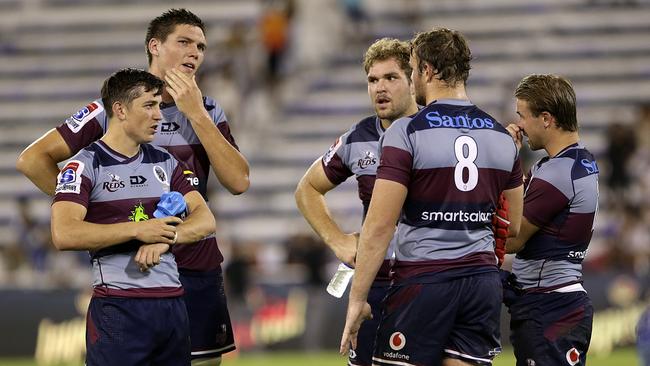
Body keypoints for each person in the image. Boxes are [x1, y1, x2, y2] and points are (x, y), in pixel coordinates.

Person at [16, 9, 249, 364]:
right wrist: (100, 217)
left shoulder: (209, 111)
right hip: (132, 270)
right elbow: (33, 160)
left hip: (194, 262)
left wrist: (196, 114)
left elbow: (238, 182)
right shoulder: (112, 109)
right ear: (154, 46)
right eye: (184, 42)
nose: (195, 54)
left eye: (201, 47)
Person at [339, 27, 524, 366]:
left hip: (424, 282)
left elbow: (379, 227)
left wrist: (357, 299)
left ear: (425, 70)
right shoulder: (502, 136)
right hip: (482, 283)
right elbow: (512, 228)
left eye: (411, 70)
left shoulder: (405, 132)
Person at [51, 68, 216, 365]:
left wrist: (167, 238)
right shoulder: (84, 165)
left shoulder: (166, 161)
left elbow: (205, 219)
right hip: (119, 308)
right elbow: (64, 233)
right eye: (149, 106)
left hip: (172, 305)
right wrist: (138, 230)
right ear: (120, 110)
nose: (159, 116)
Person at [295, 37, 418, 366]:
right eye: (373, 80)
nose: (380, 87)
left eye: (391, 78)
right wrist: (337, 241)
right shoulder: (357, 138)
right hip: (374, 279)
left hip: (426, 277)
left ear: (413, 80)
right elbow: (307, 189)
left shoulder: (434, 131)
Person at [504, 74, 599, 366]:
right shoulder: (577, 161)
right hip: (558, 301)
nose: (519, 124)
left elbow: (512, 239)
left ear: (546, 118)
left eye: (522, 115)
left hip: (549, 304)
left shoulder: (557, 172)